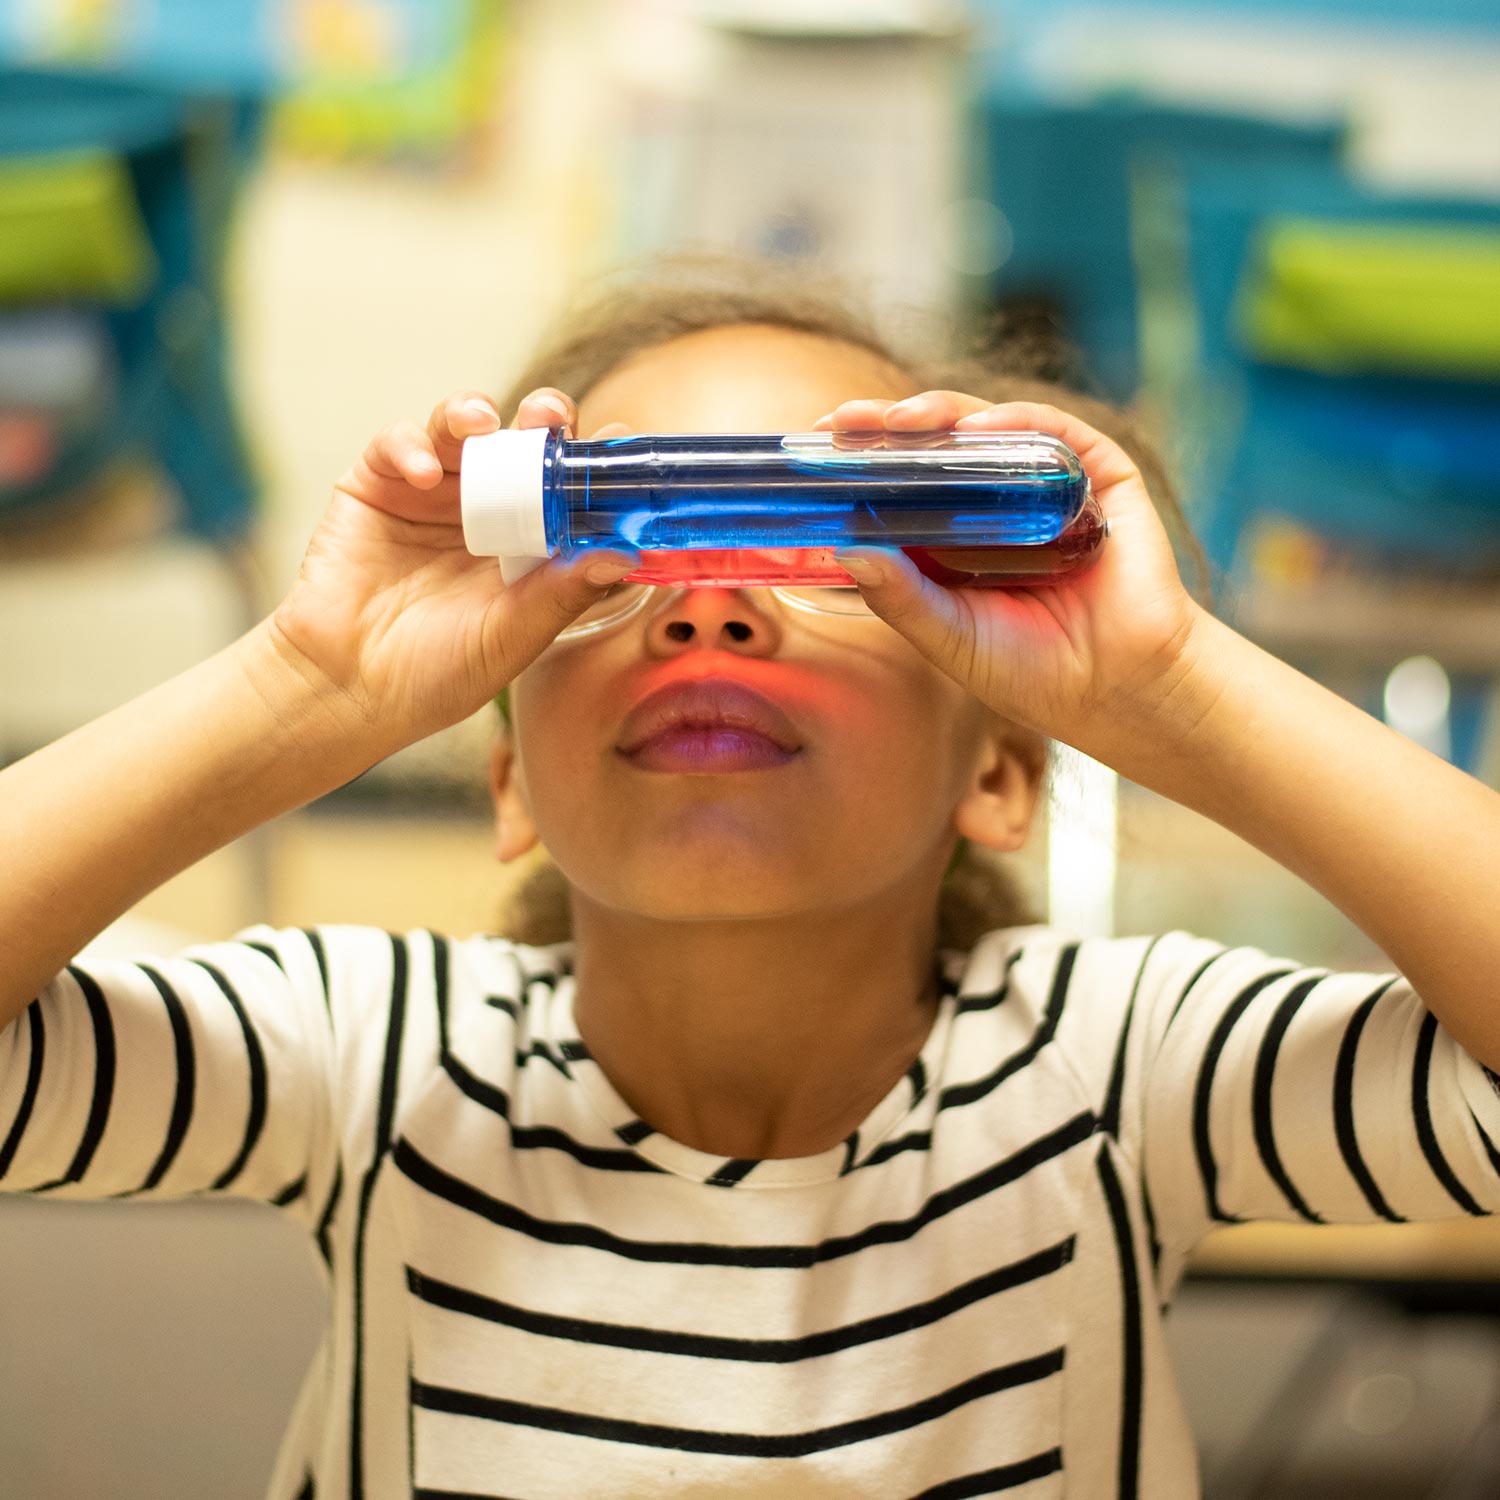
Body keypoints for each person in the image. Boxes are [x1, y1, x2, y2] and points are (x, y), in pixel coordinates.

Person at [2, 253, 1498, 1500]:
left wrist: (1172, 683)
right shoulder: (382, 1053)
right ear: (512, 780)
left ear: (999, 768)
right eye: (618, 553)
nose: (706, 604)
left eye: (820, 544)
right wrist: (307, 683)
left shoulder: (1118, 1070)